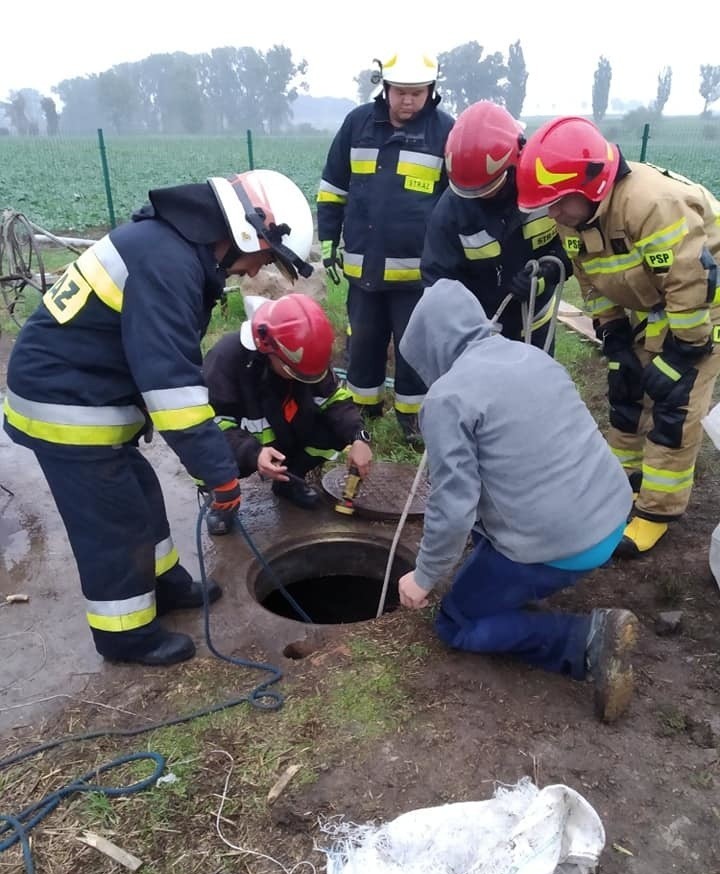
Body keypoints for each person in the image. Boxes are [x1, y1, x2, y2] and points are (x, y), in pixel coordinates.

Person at [3, 168, 314, 666]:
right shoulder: (169, 264)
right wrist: (221, 474)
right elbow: (174, 390)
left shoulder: (172, 248)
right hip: (65, 402)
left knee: (140, 491)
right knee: (113, 519)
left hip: (87, 391)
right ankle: (125, 635)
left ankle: (164, 585)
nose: (257, 271)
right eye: (265, 255)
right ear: (243, 232)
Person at [397, 279, 639, 723]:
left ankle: (585, 639)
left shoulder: (448, 398)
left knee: (457, 624)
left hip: (562, 543)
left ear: (430, 347)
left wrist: (425, 577)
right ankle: (516, 576)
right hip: (610, 513)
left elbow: (453, 505)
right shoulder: (530, 355)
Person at [515, 116, 720, 557]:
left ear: (590, 186)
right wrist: (614, 335)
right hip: (660, 299)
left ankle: (658, 510)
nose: (551, 213)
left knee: (673, 402)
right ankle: (622, 482)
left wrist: (683, 353)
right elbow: (592, 279)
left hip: (706, 302)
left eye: (556, 202)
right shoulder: (574, 215)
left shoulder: (652, 205)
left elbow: (689, 281)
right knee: (627, 388)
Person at [316, 49, 454, 443]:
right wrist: (329, 239)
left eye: (417, 92)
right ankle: (365, 410)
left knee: (413, 350)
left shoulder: (445, 132)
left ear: (431, 91)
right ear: (385, 88)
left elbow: (457, 202)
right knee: (362, 343)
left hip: (417, 273)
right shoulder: (357, 124)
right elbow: (333, 186)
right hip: (364, 268)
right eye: (400, 92)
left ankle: (412, 422)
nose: (408, 101)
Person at [202, 292, 373, 534]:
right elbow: (211, 427)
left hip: (283, 437)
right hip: (240, 446)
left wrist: (359, 436)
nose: (305, 379)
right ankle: (222, 500)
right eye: (297, 373)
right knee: (209, 454)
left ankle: (290, 481)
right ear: (268, 349)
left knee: (335, 430)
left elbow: (335, 400)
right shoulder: (226, 359)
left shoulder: (304, 355)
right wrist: (253, 453)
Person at [421, 100, 571, 350]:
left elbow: (576, 246)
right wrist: (458, 325)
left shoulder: (547, 190)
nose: (480, 195)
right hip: (480, 330)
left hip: (535, 324)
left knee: (535, 387)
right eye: (471, 190)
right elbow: (437, 279)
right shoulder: (451, 210)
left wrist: (546, 275)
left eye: (489, 186)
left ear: (516, 160)